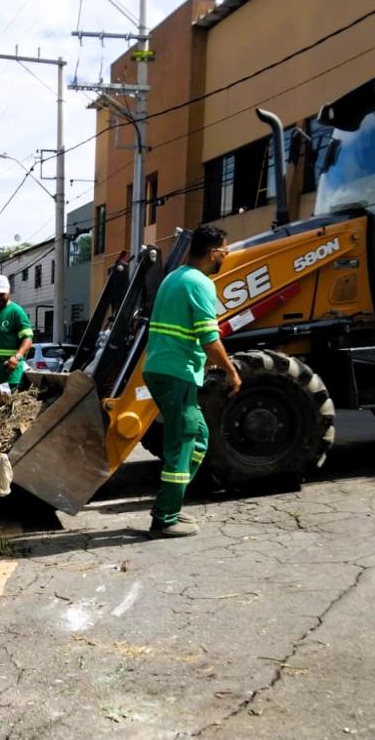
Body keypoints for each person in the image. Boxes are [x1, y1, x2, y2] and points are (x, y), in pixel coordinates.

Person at [142, 226, 242, 538]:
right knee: (182, 442)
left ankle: (169, 504)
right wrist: (231, 370)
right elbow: (210, 338)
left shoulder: (174, 277)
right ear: (213, 253)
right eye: (225, 251)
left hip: (161, 368)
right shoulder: (200, 283)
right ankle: (165, 517)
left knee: (198, 436)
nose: (225, 257)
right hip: (177, 373)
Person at [0, 274, 34, 400]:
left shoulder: (17, 312)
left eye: (2, 294)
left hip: (8, 375)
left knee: (3, 414)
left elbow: (28, 339)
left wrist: (17, 357)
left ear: (8, 291)